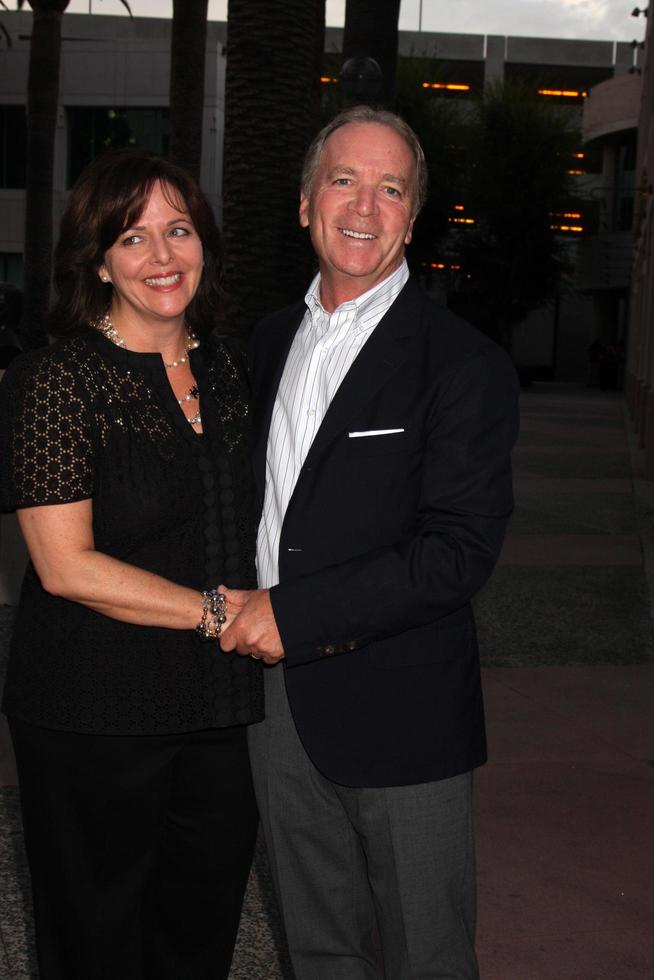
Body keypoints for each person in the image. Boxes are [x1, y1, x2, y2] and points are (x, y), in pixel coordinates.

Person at [219, 106, 520, 979]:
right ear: (307, 203)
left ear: (412, 219)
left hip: (404, 713)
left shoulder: (462, 363)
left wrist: (294, 613)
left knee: (427, 956)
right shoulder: (268, 342)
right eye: (345, 180)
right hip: (274, 707)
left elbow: (456, 552)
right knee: (319, 949)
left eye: (392, 188)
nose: (365, 205)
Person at [0, 149, 262, 980]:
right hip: (89, 712)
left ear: (205, 243)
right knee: (95, 942)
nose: (161, 257)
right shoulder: (56, 382)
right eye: (133, 237)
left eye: (178, 230)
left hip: (221, 713)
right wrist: (221, 614)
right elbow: (66, 566)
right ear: (99, 260)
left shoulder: (234, 372)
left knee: (200, 934)